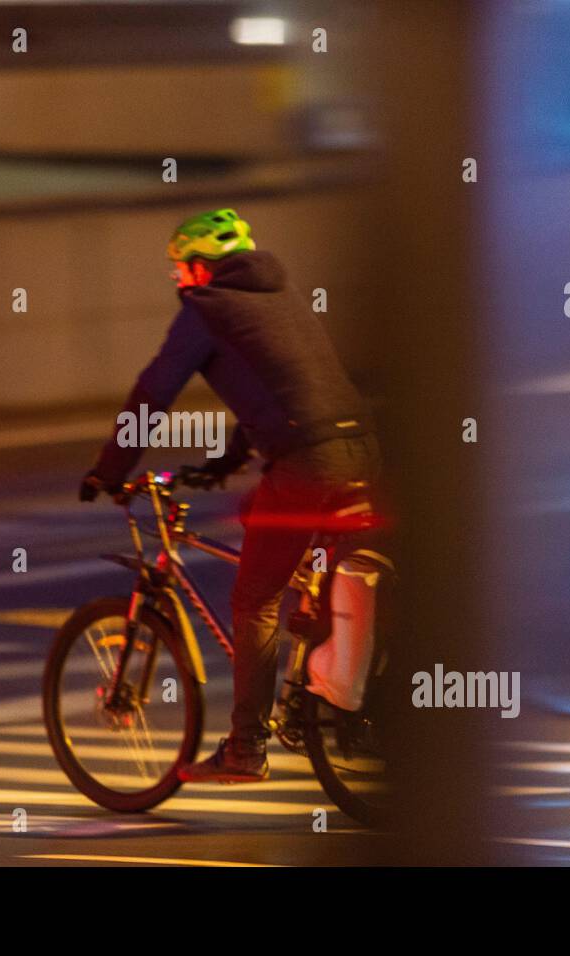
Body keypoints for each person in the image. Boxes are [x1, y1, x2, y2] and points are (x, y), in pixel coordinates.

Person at [79, 209, 378, 783]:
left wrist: (109, 471)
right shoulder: (282, 297)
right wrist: (228, 460)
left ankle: (245, 748)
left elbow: (153, 393)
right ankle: (313, 693)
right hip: (362, 450)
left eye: (179, 270)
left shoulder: (206, 309)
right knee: (304, 563)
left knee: (255, 602)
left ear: (199, 267)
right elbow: (283, 389)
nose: (177, 282)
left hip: (308, 465)